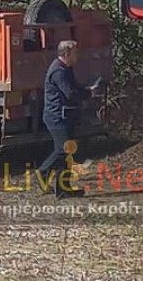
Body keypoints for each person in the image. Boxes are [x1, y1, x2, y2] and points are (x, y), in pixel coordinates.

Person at [37, 40, 100, 197]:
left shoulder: (66, 69)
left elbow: (74, 87)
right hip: (56, 117)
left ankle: (63, 190)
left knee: (67, 152)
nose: (77, 56)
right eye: (75, 53)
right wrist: (88, 94)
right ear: (66, 54)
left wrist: (88, 89)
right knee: (63, 150)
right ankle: (43, 172)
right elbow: (70, 94)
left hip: (65, 116)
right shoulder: (58, 71)